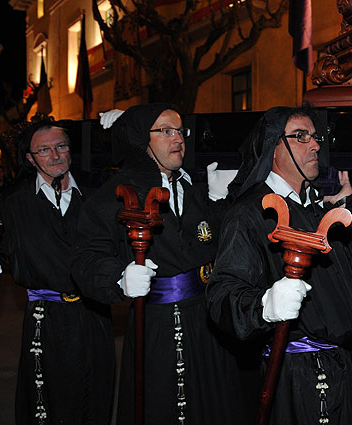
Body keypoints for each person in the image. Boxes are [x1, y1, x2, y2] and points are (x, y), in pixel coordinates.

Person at [70, 103, 246, 425]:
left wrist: (221, 206)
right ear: (142, 139)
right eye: (166, 131)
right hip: (157, 324)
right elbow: (86, 256)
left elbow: (210, 244)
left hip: (206, 322)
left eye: (180, 130)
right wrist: (117, 279)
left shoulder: (191, 187)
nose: (177, 138)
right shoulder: (118, 192)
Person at [206, 105, 352, 424]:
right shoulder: (250, 214)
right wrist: (264, 305)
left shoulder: (315, 206)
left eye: (315, 137)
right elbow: (221, 296)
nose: (315, 145)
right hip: (299, 374)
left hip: (345, 366)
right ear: (273, 147)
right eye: (300, 136)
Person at [0, 116, 115, 425]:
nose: (55, 155)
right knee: (49, 404)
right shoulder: (13, 202)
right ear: (31, 159)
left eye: (61, 146)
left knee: (96, 397)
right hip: (46, 318)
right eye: (44, 150)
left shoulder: (96, 195)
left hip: (94, 314)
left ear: (71, 150)